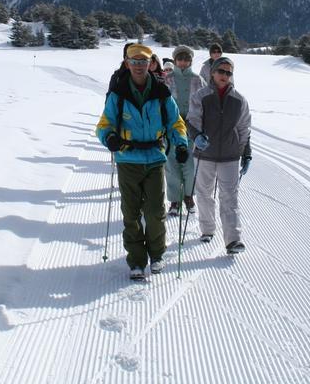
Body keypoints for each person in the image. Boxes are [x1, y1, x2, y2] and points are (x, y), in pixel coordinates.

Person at [97, 44, 189, 280]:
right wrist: (109, 138)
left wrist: (180, 143)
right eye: (134, 61)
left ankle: (157, 255)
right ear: (127, 63)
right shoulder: (118, 94)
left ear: (150, 63)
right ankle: (136, 260)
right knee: (131, 212)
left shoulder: (161, 92)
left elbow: (175, 122)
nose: (139, 66)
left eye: (143, 61)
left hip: (156, 159)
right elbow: (104, 124)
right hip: (128, 159)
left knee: (155, 211)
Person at [186, 56, 252, 254]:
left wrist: (245, 153)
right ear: (213, 72)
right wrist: (196, 136)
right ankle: (207, 229)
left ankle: (233, 240)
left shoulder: (239, 99)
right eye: (221, 71)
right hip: (204, 154)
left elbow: (244, 128)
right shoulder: (200, 96)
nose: (225, 75)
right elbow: (192, 121)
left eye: (228, 72)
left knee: (230, 197)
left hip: (230, 156)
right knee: (204, 194)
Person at [163, 45, 205, 217]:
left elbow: (204, 103)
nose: (183, 62)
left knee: (189, 165)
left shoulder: (198, 79)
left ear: (190, 61)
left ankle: (189, 196)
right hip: (171, 127)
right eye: (179, 59)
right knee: (171, 164)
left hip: (192, 127)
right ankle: (174, 200)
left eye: (186, 59)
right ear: (175, 60)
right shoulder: (167, 79)